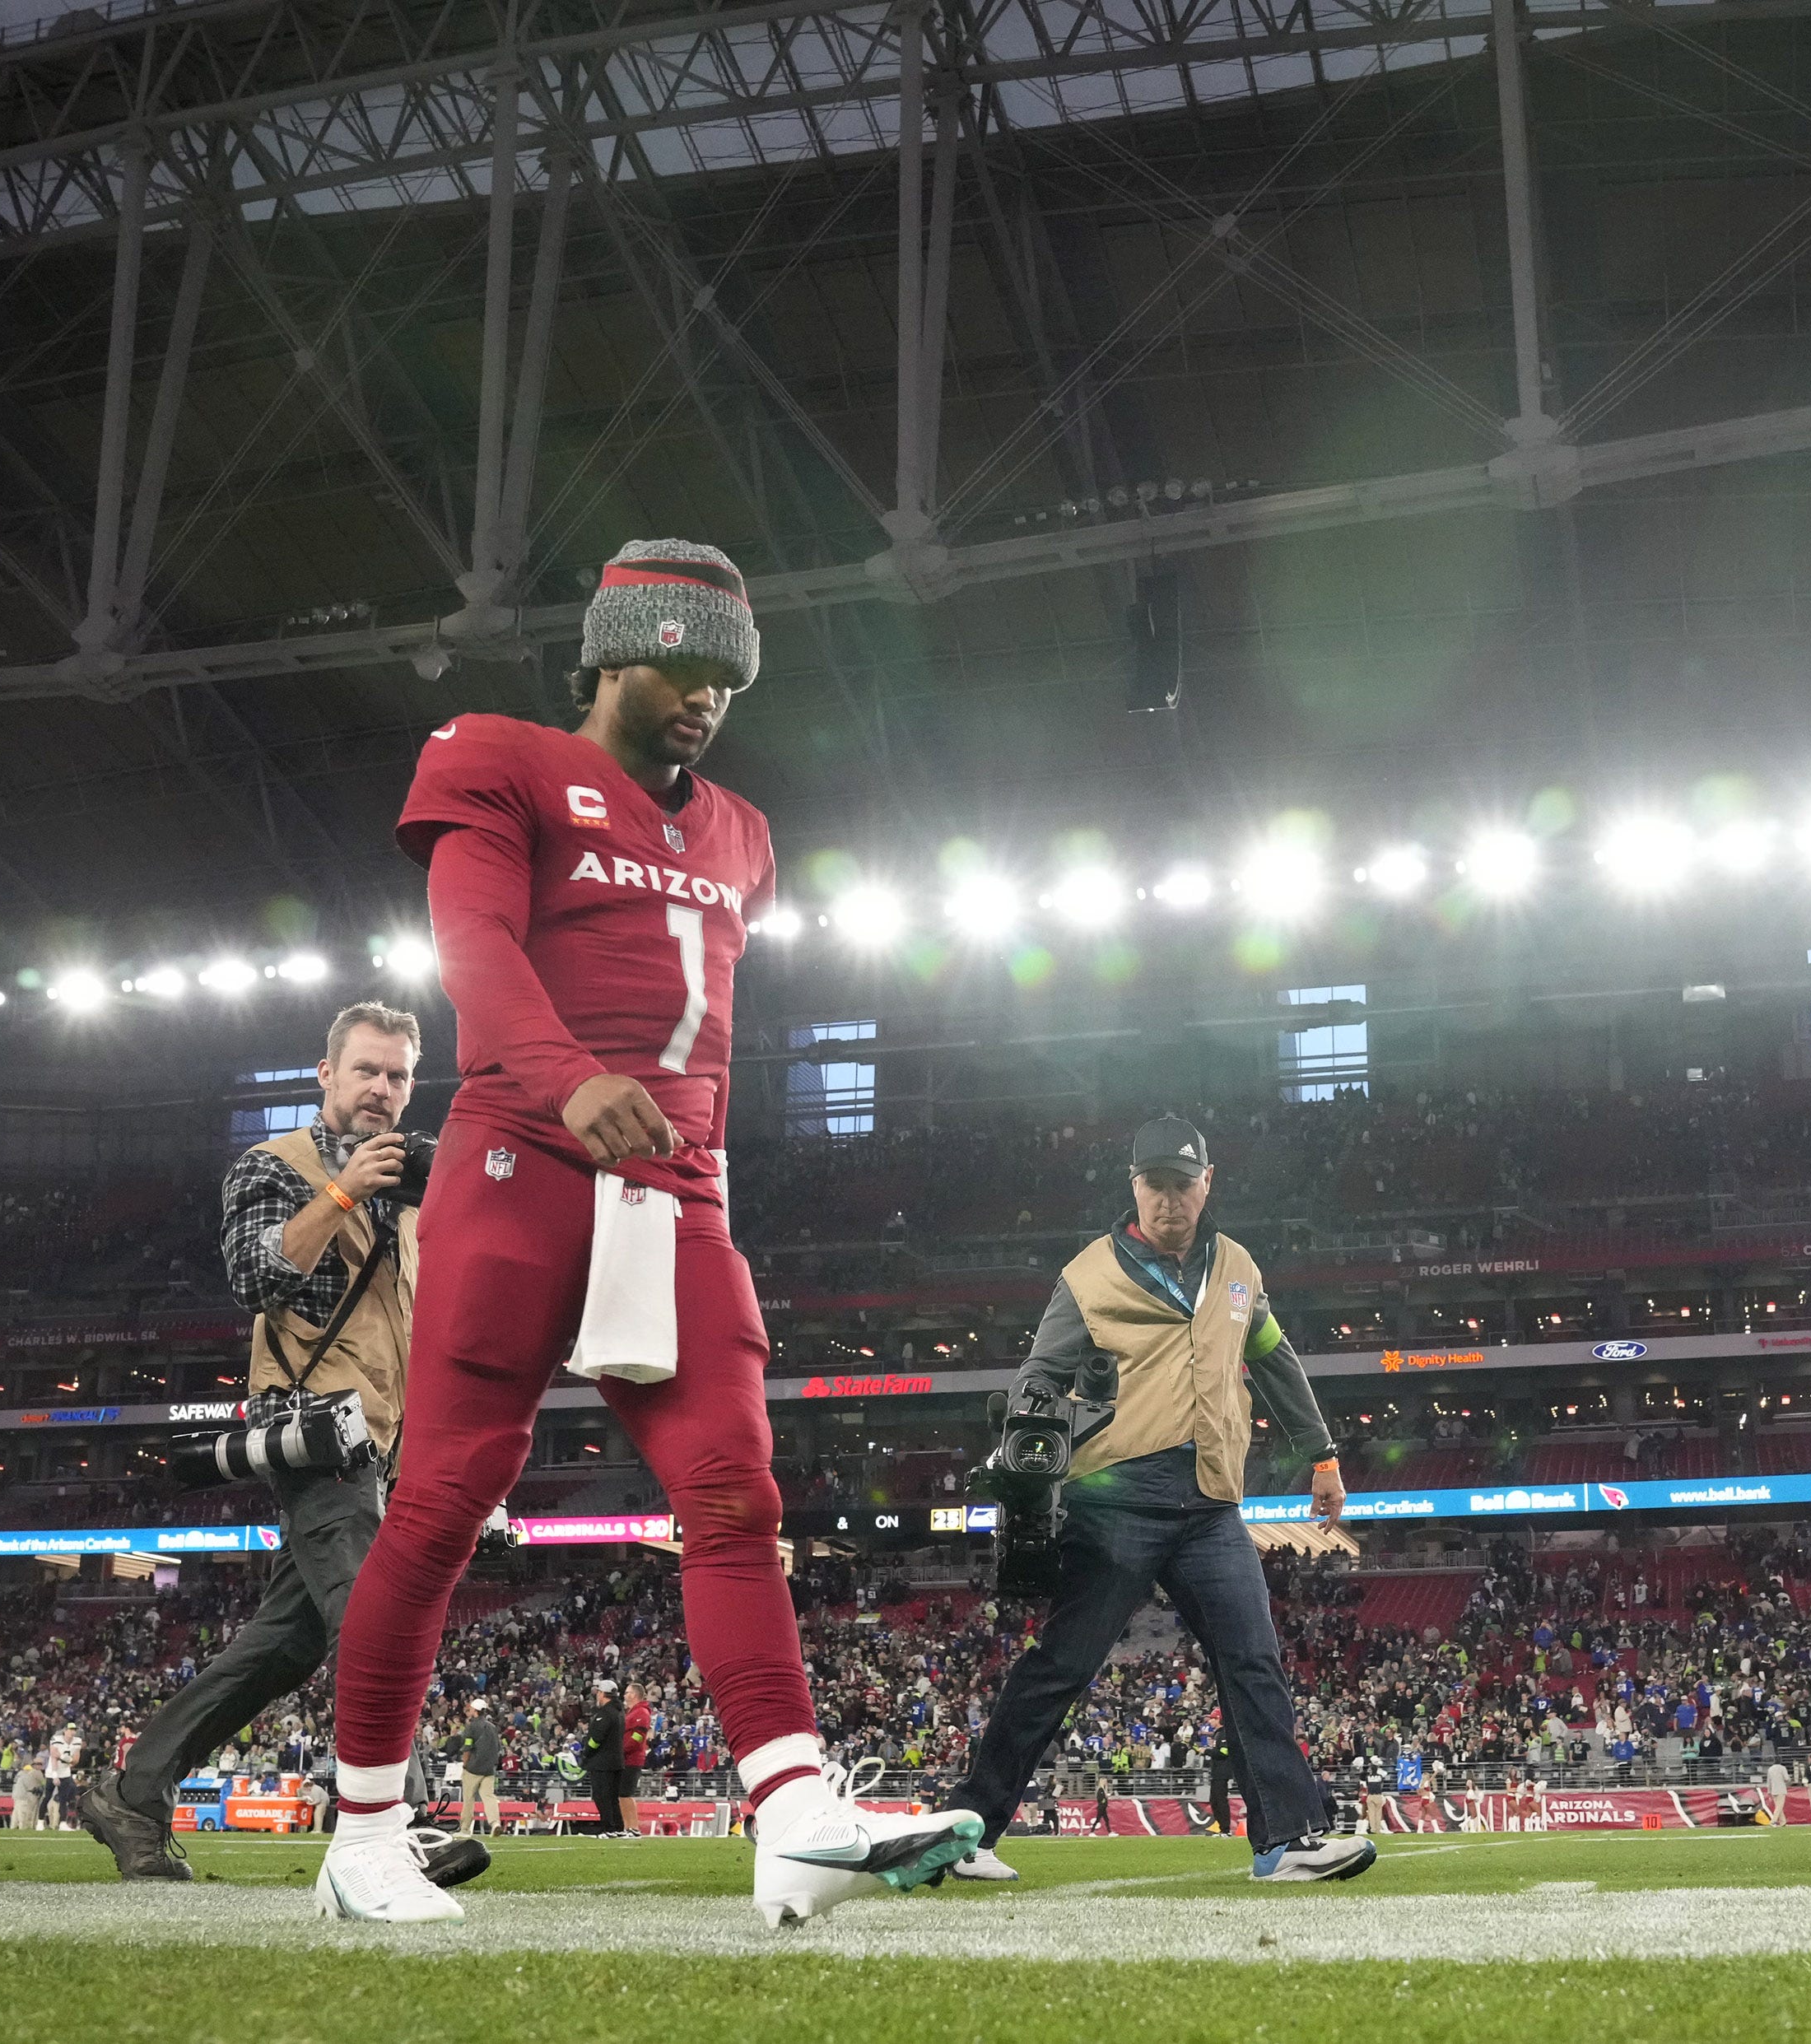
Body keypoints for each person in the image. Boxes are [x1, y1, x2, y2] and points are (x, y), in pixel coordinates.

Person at [318, 540, 979, 1927]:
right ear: (616, 650)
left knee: (735, 1489)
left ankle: (792, 1807)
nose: (707, 699)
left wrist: (699, 1173)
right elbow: (476, 949)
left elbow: (713, 1037)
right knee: (444, 1494)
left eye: (729, 679)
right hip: (521, 1151)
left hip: (673, 1186)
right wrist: (572, 1078)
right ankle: (365, 1824)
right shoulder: (499, 756)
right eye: (685, 665)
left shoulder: (741, 831)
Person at [80, 1003, 481, 1894]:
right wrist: (343, 1192)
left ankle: (127, 1790)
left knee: (283, 1643)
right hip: (309, 1426)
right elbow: (254, 1276)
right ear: (326, 1073)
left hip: (380, 1440)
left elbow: (428, 1327)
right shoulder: (271, 1167)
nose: (383, 1089)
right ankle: (397, 1821)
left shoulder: (422, 1191)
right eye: (367, 1070)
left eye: (399, 1075)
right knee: (376, 1611)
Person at [940, 1115, 1376, 1888]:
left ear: (1208, 1183)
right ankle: (965, 1829)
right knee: (1061, 1666)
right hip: (1114, 1501)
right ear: (1134, 1184)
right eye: (1156, 1183)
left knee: (1254, 1661)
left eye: (1184, 1182)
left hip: (1211, 1502)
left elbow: (1274, 1361)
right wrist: (1036, 1456)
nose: (1170, 1198)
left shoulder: (1239, 1269)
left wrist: (1324, 1453)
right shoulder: (1086, 1276)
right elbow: (1038, 1377)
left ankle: (1287, 1840)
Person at [584, 1679, 630, 1837]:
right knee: (612, 1797)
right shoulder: (619, 1712)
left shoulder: (604, 1714)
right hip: (617, 1761)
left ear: (602, 1694)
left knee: (602, 1796)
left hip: (602, 1762)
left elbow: (596, 1739)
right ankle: (618, 1827)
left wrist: (586, 1752)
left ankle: (608, 1828)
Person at [450, 1698, 501, 1838]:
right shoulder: (492, 1727)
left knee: (468, 1799)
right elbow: (498, 1747)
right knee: (489, 1797)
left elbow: (467, 1747)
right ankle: (495, 1822)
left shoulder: (471, 1727)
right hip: (489, 1769)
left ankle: (465, 1828)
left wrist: (465, 1764)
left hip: (473, 1769)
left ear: (475, 1711)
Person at [45, 1724, 82, 1830]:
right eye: (71, 1729)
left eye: (74, 1730)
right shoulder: (57, 1741)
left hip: (64, 1773)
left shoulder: (76, 1742)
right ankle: (42, 1823)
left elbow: (75, 1760)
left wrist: (64, 1758)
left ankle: (62, 1823)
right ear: (65, 1731)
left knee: (63, 1800)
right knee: (48, 1799)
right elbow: (54, 1757)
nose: (73, 1732)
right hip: (53, 1773)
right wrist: (55, 1774)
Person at [11, 1753, 48, 1833]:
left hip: (18, 1795)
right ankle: (26, 1827)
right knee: (26, 1813)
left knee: (17, 1813)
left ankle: (14, 1827)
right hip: (29, 1795)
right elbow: (44, 1783)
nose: (40, 1766)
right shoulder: (37, 1773)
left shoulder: (21, 1773)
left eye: (40, 1764)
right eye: (38, 1764)